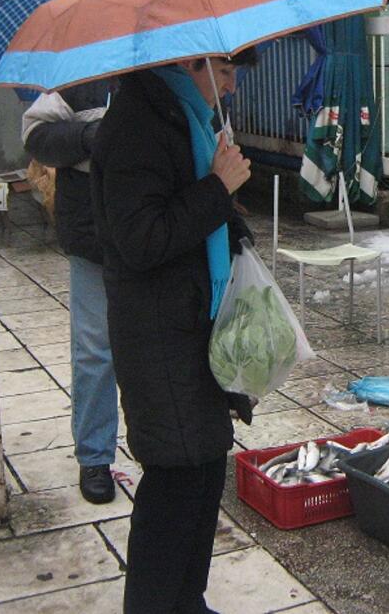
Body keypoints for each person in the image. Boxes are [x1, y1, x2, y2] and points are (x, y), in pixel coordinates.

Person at [90, 50, 256, 614]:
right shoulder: (137, 124)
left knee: (206, 467)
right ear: (194, 62)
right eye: (227, 72)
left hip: (190, 327)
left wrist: (222, 193)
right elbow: (142, 240)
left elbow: (195, 221)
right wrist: (216, 186)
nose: (230, 88)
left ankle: (188, 600)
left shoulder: (180, 116)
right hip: (159, 335)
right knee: (175, 482)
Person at [22, 80, 119, 504]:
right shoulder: (80, 83)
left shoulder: (169, 73)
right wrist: (87, 135)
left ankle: (163, 447)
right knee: (96, 351)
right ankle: (95, 457)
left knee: (158, 347)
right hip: (94, 238)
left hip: (156, 236)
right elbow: (37, 138)